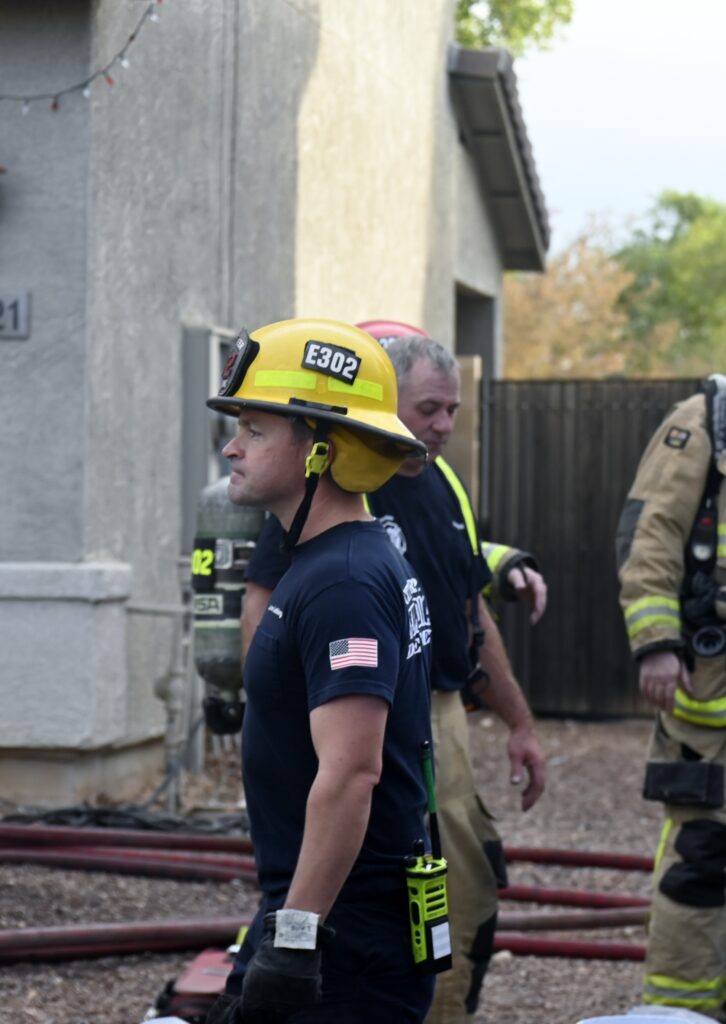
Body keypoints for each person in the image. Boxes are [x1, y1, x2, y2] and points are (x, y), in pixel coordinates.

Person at [241, 326, 547, 1024]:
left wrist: (520, 722)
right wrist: (276, 725)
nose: (442, 426)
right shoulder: (330, 509)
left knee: (460, 894)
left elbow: (468, 612)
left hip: (422, 724)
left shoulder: (431, 496)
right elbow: (266, 611)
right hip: (364, 723)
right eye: (427, 409)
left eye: (452, 411)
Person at [205, 317, 439, 1024]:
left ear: (320, 451)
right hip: (326, 919)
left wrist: (294, 945)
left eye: (255, 429)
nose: (232, 446)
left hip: (342, 941)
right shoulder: (328, 564)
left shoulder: (343, 582)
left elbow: (351, 774)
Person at [616, 377, 726, 1022]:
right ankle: (683, 1015)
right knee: (702, 860)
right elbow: (649, 533)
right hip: (711, 707)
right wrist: (656, 642)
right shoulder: (706, 421)